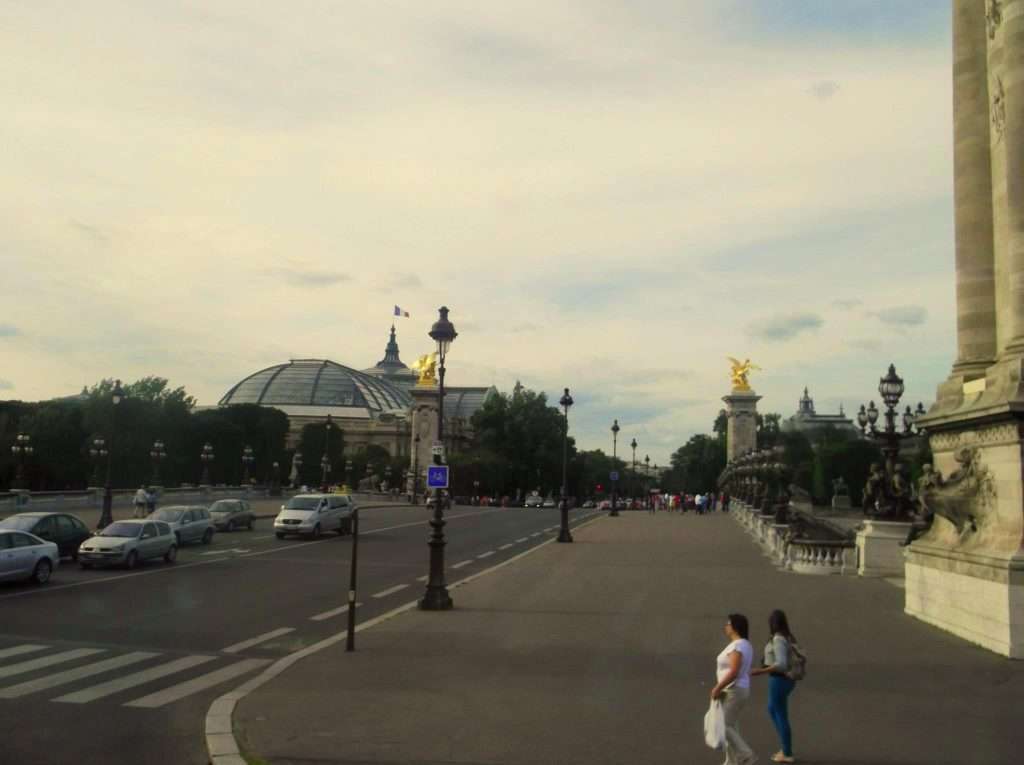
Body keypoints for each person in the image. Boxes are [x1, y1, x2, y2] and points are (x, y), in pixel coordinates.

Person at [751, 609, 797, 763]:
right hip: (785, 680)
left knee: (780, 713)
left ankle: (787, 752)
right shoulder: (787, 636)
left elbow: (781, 664)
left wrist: (761, 671)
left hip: (779, 680)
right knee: (773, 709)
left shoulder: (778, 639)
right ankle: (785, 747)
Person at [710, 613, 756, 765]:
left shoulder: (738, 646)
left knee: (724, 725)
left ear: (735, 627)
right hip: (738, 689)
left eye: (728, 624)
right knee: (731, 726)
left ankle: (745, 754)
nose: (726, 626)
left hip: (733, 690)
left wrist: (718, 687)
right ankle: (731, 761)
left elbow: (734, 671)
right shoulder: (745, 645)